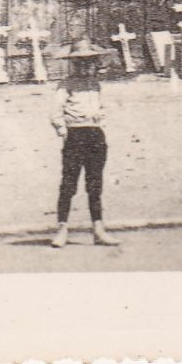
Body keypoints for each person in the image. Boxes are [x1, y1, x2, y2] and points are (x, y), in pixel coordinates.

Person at [49, 37, 119, 248]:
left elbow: (102, 108)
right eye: (79, 61)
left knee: (94, 184)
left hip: (95, 136)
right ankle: (62, 229)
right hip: (75, 135)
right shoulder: (65, 84)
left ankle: (98, 230)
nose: (85, 65)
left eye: (89, 61)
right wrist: (63, 130)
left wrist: (100, 122)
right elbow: (55, 112)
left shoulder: (96, 85)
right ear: (73, 63)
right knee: (69, 184)